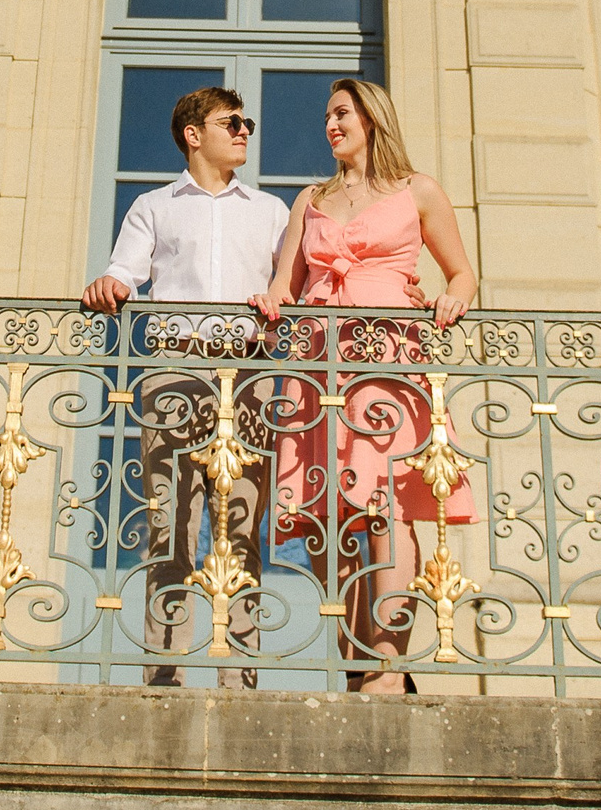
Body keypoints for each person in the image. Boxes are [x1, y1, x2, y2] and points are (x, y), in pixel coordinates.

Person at [249, 78, 477, 694]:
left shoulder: (418, 190)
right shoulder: (310, 200)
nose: (331, 124)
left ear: (372, 118)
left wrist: (450, 303)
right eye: (327, 115)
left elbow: (461, 273)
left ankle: (388, 662)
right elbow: (285, 284)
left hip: (386, 361)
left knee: (383, 508)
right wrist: (269, 302)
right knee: (330, 514)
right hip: (319, 364)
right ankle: (356, 660)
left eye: (342, 113)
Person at [82, 85, 290, 688]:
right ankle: (163, 677)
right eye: (231, 122)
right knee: (169, 525)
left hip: (248, 372)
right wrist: (109, 286)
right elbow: (126, 271)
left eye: (246, 121)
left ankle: (240, 679)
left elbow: (290, 290)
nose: (245, 130)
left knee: (242, 529)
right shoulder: (153, 206)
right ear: (193, 135)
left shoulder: (272, 212)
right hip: (175, 368)